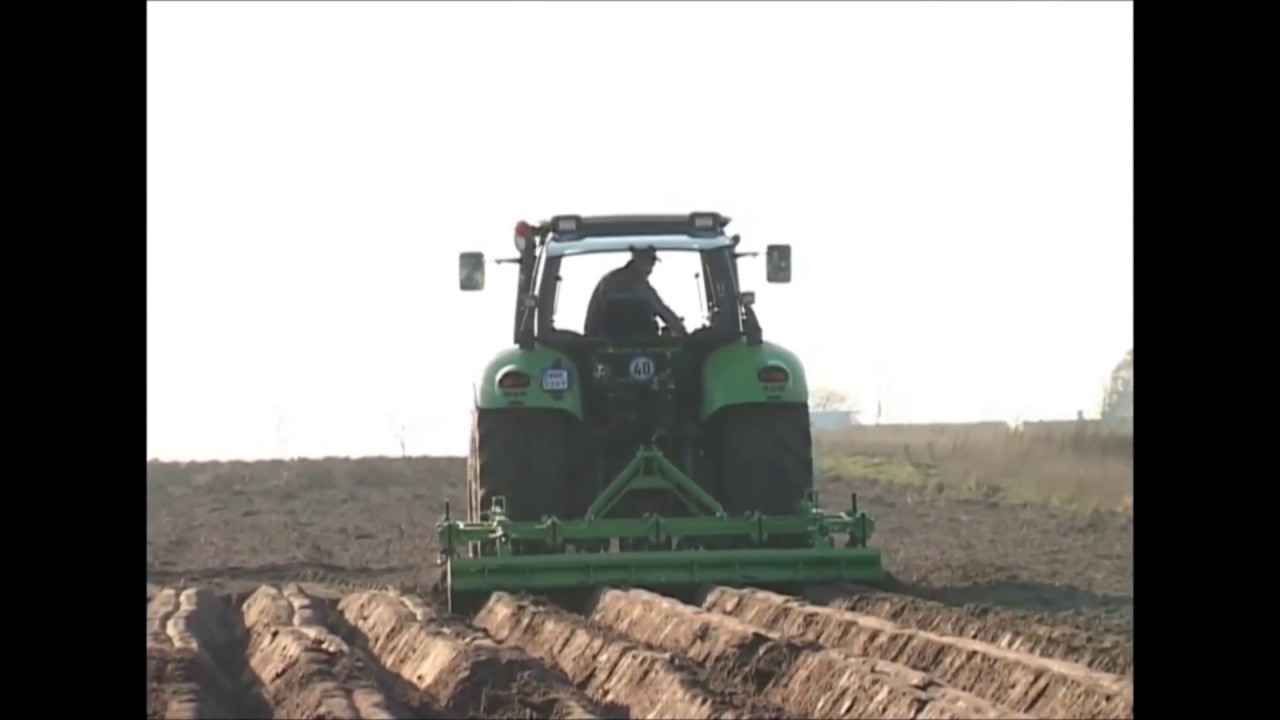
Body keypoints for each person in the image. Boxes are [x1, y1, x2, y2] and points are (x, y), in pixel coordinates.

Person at [584, 248, 688, 337]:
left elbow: (590, 321)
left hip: (604, 346)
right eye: (650, 261)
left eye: (653, 263)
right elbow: (662, 311)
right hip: (641, 345)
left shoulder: (607, 280)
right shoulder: (640, 286)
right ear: (638, 259)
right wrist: (682, 330)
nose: (652, 268)